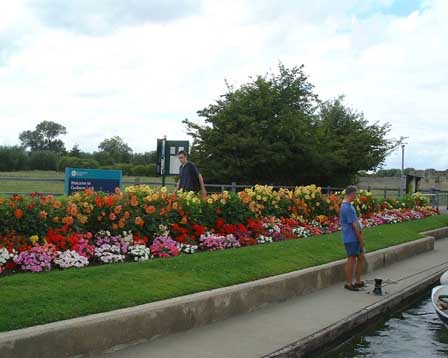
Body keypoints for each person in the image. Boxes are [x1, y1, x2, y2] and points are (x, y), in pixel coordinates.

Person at [340, 185, 366, 291]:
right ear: (351, 194)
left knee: (361, 258)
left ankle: (358, 281)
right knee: (351, 259)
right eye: (356, 194)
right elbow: (354, 226)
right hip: (351, 238)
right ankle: (349, 283)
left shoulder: (349, 206)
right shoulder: (346, 207)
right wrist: (361, 240)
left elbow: (356, 223)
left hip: (354, 237)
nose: (356, 196)